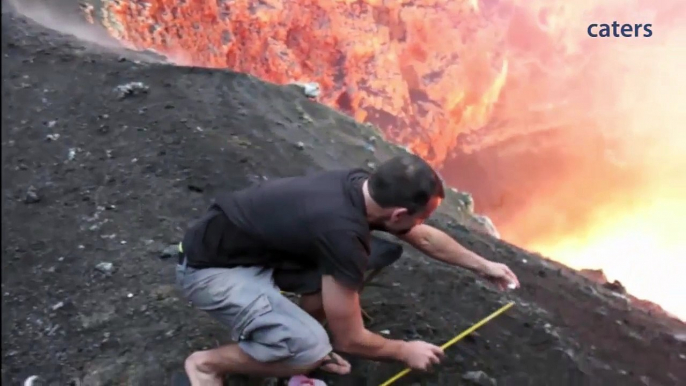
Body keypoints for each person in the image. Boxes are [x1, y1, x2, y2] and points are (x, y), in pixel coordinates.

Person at [176, 154, 520, 386]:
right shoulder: (342, 233)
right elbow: (350, 339)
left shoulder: (360, 187)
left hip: (248, 246)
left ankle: (286, 335)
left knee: (367, 258)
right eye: (421, 216)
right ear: (398, 213)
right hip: (211, 271)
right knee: (309, 350)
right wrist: (404, 350)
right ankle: (208, 364)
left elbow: (424, 239)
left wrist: (484, 265)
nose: (421, 224)